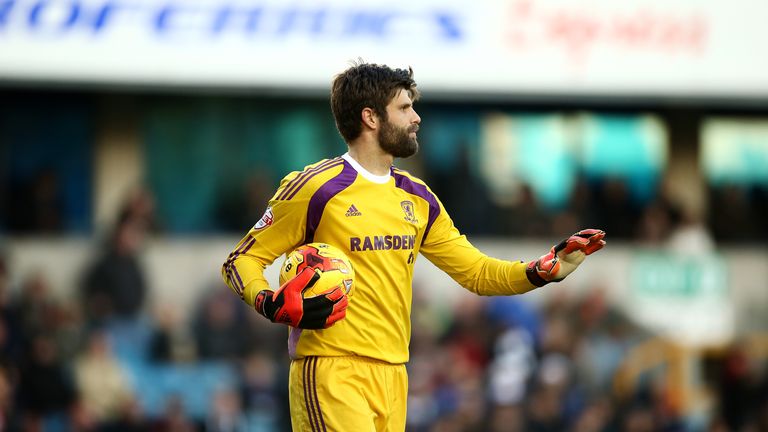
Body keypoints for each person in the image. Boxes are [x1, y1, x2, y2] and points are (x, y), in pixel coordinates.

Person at [221, 62, 606, 431]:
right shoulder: (314, 187)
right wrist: (268, 301)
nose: (416, 117)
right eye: (405, 108)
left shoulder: (418, 198)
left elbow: (476, 272)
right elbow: (241, 261)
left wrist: (544, 269)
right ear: (371, 118)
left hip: (394, 375)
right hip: (331, 369)